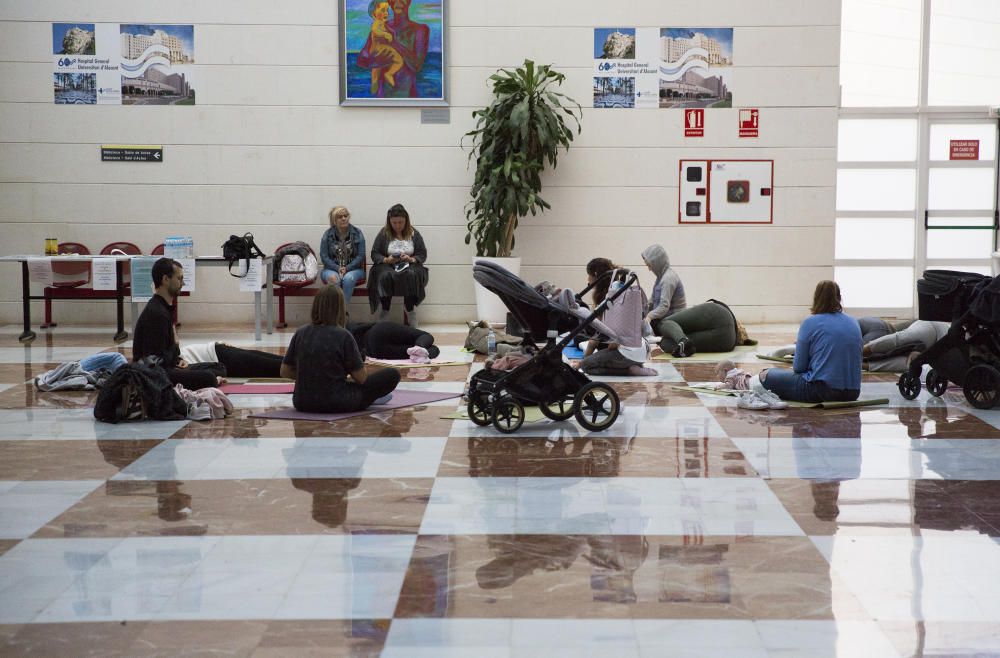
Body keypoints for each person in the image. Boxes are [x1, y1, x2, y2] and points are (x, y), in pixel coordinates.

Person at [133, 258, 285, 389]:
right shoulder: (157, 313)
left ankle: (293, 363)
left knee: (249, 359)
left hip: (208, 353)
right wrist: (176, 349)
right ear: (165, 279)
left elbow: (164, 357)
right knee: (226, 369)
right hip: (201, 358)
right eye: (179, 279)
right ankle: (293, 366)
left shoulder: (161, 309)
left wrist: (177, 355)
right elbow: (157, 364)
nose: (183, 283)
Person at [281, 285, 400, 413]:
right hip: (337, 401)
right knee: (392, 374)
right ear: (340, 308)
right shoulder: (343, 336)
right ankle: (373, 398)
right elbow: (361, 378)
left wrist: (312, 377)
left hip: (302, 401)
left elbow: (284, 371)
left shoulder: (301, 332)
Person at [750, 280, 862, 406]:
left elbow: (799, 368)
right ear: (839, 298)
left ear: (816, 298)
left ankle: (743, 381)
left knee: (766, 374)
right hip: (853, 392)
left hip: (821, 391)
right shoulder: (854, 322)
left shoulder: (810, 323)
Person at [578, 259, 656, 376]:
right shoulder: (622, 290)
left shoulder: (606, 298)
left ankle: (628, 370)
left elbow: (595, 339)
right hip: (641, 350)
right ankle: (633, 365)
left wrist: (582, 362)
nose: (588, 280)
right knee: (582, 338)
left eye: (588, 275)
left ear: (595, 275)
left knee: (586, 366)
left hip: (624, 352)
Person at [368, 203, 429, 326]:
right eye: (394, 223)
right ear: (389, 221)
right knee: (384, 275)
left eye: (400, 222)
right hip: (388, 265)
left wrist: (411, 259)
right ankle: (385, 310)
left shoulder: (414, 233)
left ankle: (410, 310)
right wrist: (386, 259)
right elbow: (375, 253)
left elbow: (422, 254)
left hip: (409, 265)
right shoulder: (384, 233)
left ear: (406, 221)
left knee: (412, 275)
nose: (397, 226)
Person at [356, 0, 430, 99]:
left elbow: (416, 65)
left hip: (407, 96)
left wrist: (394, 42)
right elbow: (362, 59)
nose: (398, 2)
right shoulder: (382, 27)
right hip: (382, 97)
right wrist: (375, 61)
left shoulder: (420, 29)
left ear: (409, 1)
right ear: (389, 2)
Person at [320, 205, 367, 306]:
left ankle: (343, 313)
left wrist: (347, 268)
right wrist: (337, 268)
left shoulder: (357, 233)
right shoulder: (327, 234)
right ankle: (333, 314)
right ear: (334, 220)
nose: (344, 218)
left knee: (348, 278)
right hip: (331, 269)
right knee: (334, 279)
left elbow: (361, 255)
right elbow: (324, 257)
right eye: (340, 217)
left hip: (354, 269)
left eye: (346, 216)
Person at [348, 320, 440, 360]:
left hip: (375, 351)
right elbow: (427, 336)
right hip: (378, 331)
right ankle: (419, 346)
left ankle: (419, 349)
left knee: (413, 353)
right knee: (427, 337)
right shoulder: (348, 327)